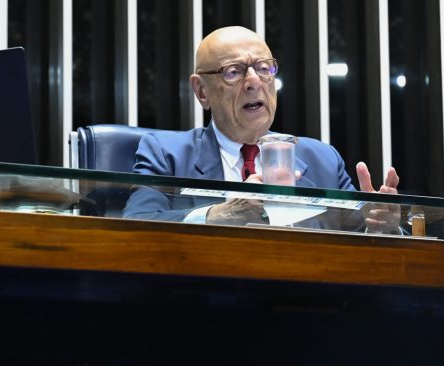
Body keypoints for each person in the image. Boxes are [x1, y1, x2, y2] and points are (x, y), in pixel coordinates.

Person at [122, 26, 401, 232]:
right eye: (233, 72)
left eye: (264, 68)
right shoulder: (165, 154)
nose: (254, 81)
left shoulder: (322, 159)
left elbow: (363, 237)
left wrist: (381, 226)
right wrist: (218, 215)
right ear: (201, 91)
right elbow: (134, 225)